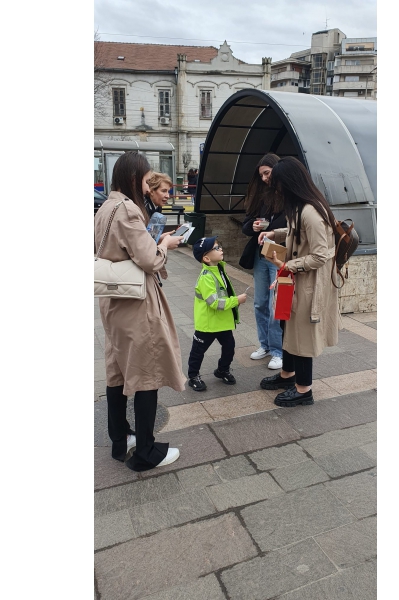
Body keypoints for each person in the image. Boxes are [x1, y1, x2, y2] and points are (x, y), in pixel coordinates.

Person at [94, 151, 185, 471]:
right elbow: (150, 260)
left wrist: (152, 241)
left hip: (112, 301)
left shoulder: (105, 207)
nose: (148, 188)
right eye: (147, 181)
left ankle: (121, 440)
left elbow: (118, 250)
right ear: (134, 178)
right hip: (135, 304)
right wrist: (164, 246)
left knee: (117, 370)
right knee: (146, 371)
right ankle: (147, 452)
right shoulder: (128, 209)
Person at [257, 157, 341, 407]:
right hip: (295, 279)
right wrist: (274, 233)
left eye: (277, 184)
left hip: (308, 282)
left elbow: (320, 255)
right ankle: (288, 375)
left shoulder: (311, 212)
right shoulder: (301, 206)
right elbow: (295, 231)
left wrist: (288, 266)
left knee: (302, 333)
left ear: (289, 183)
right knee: (288, 326)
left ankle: (304, 390)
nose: (276, 189)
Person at [239, 153, 286, 370]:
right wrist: (254, 226)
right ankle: (265, 345)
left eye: (267, 173)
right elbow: (246, 225)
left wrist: (272, 230)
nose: (265, 178)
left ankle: (278, 351)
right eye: (262, 175)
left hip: (280, 256)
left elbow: (294, 227)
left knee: (276, 304)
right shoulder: (260, 196)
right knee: (260, 302)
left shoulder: (289, 195)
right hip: (261, 255)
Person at [187, 237, 248, 392]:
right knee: (198, 351)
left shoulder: (220, 269)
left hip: (222, 322)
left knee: (229, 347)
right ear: (206, 258)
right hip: (208, 323)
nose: (220, 249)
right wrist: (236, 300)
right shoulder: (206, 277)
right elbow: (214, 303)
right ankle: (193, 376)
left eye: (219, 246)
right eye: (216, 248)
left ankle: (222, 370)